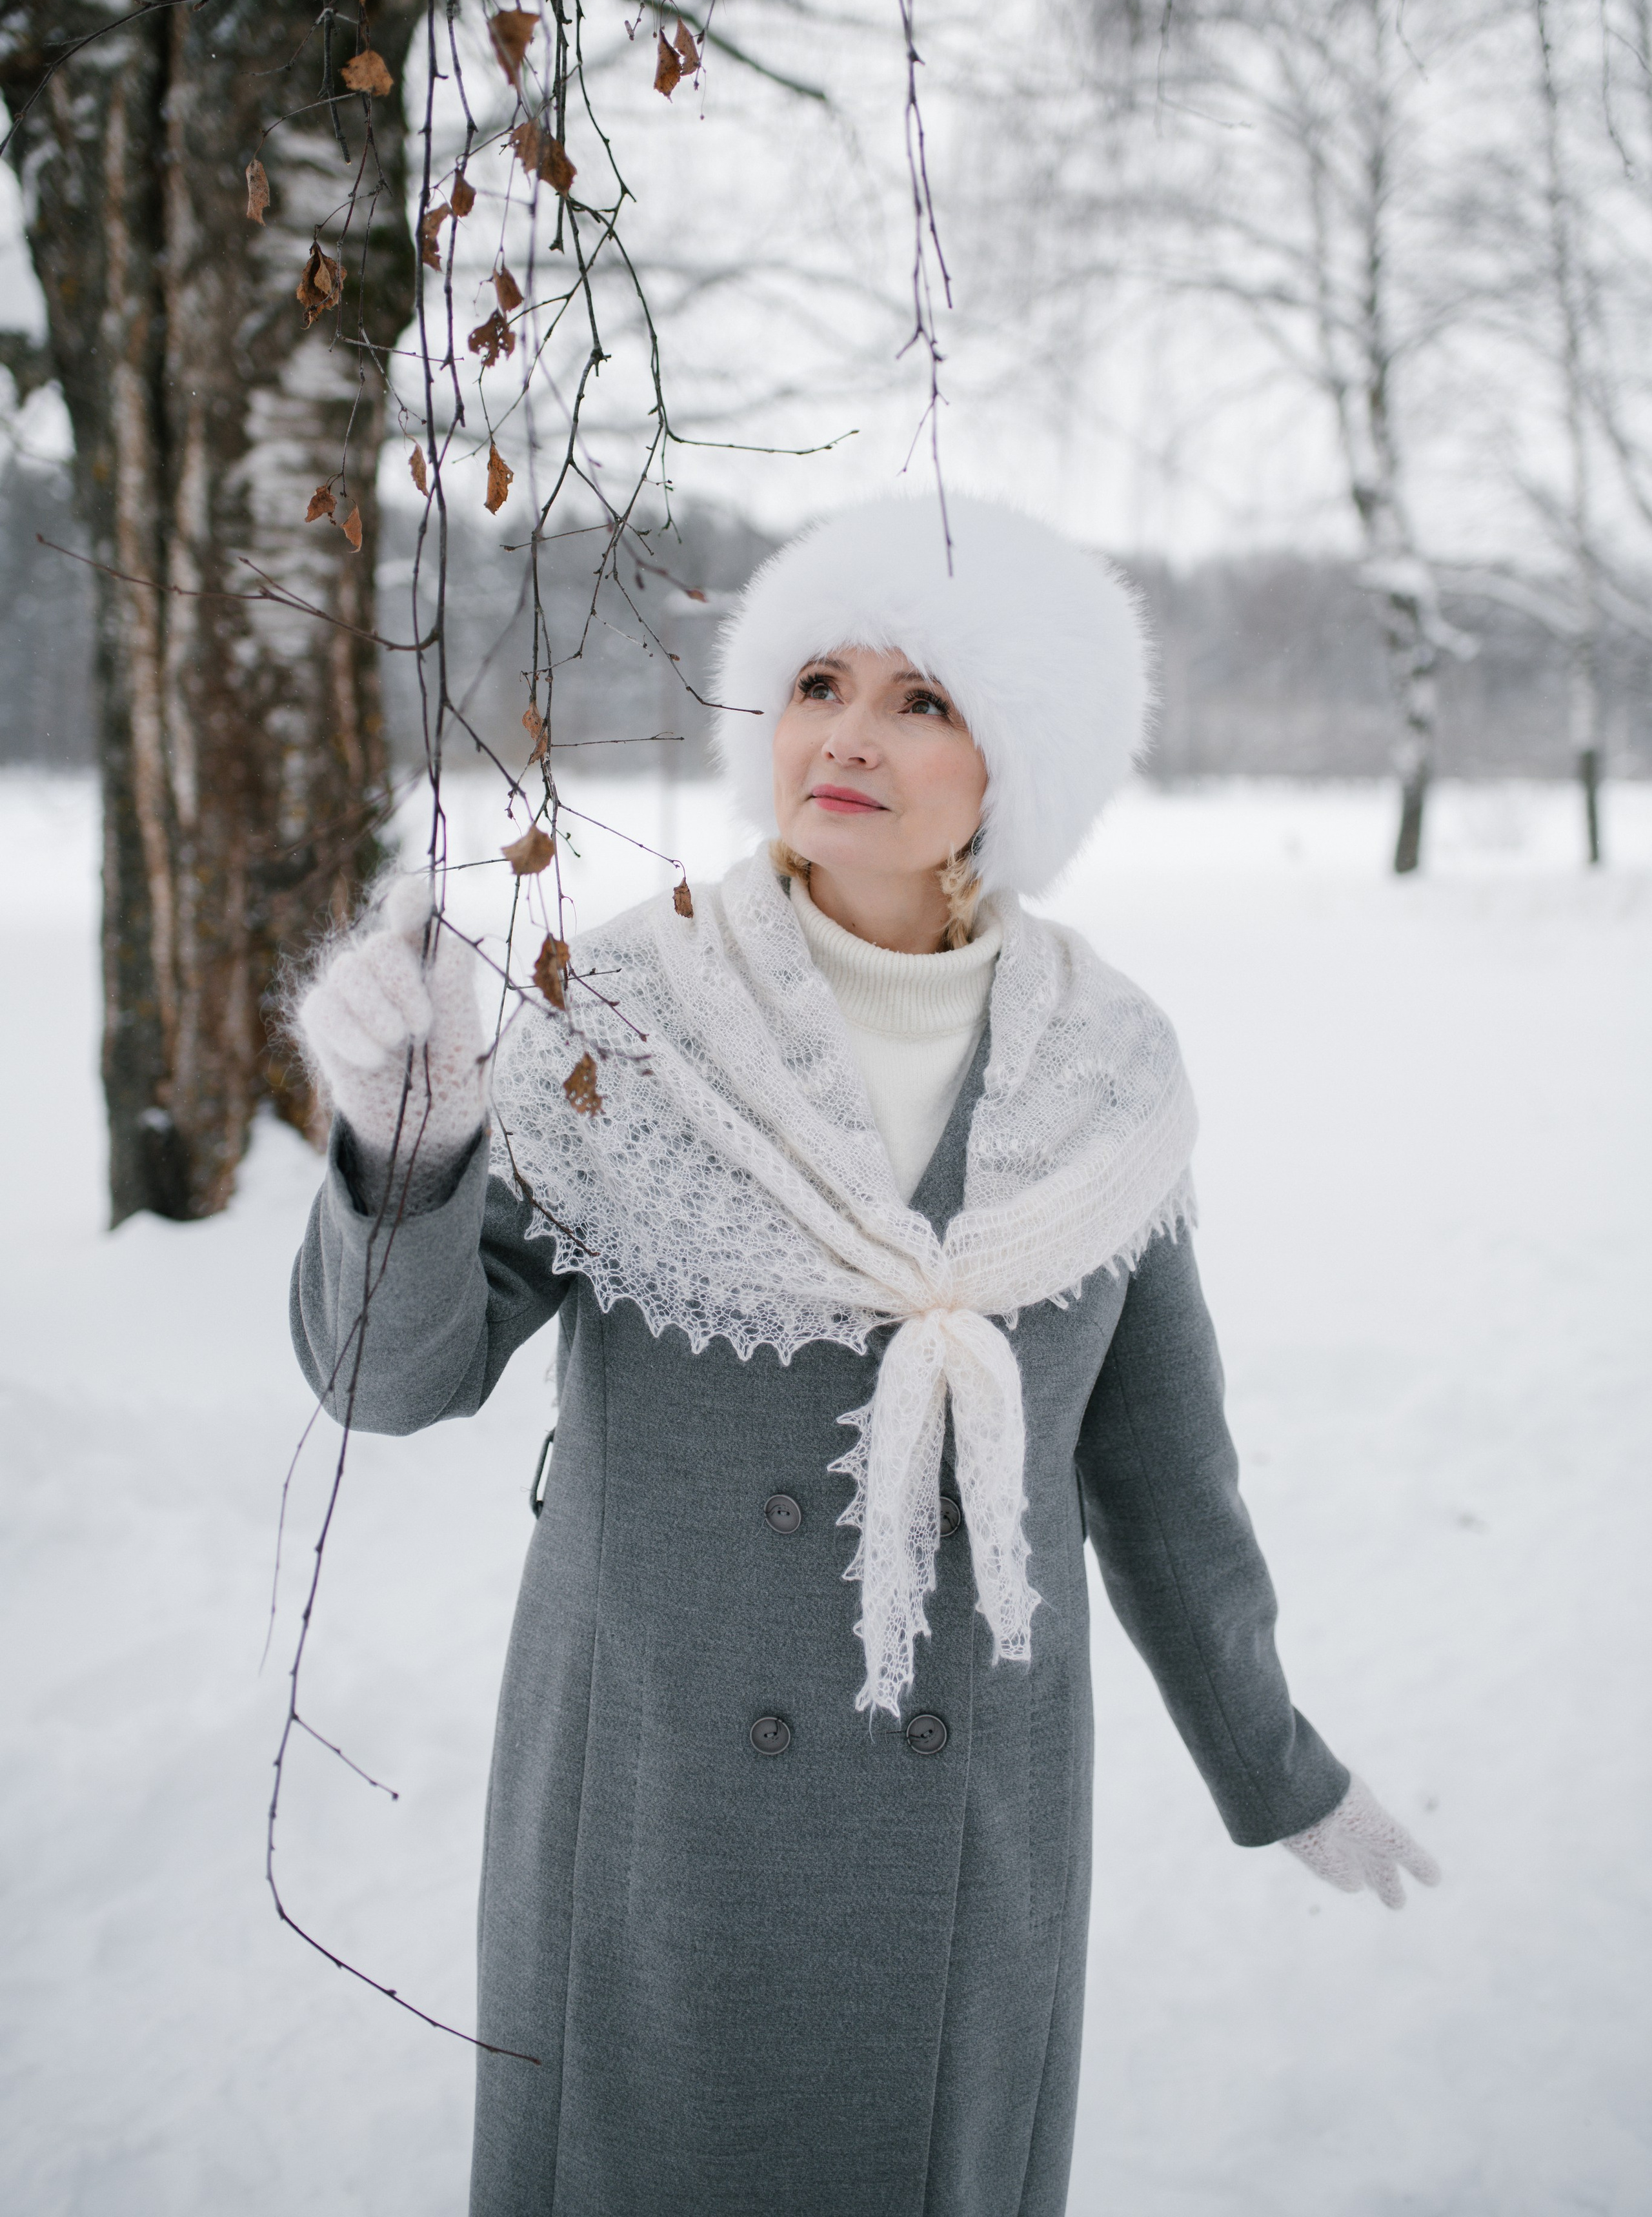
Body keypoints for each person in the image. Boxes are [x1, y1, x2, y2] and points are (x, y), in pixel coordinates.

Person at [290, 494, 1438, 2217]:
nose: (846, 735)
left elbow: (1160, 1479)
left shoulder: (1106, 1070)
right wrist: (409, 1141)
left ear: (1018, 767)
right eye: (819, 683)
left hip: (967, 1831)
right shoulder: (630, 1017)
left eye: (924, 701)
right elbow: (390, 1379)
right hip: (657, 1816)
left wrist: (1275, 1762)